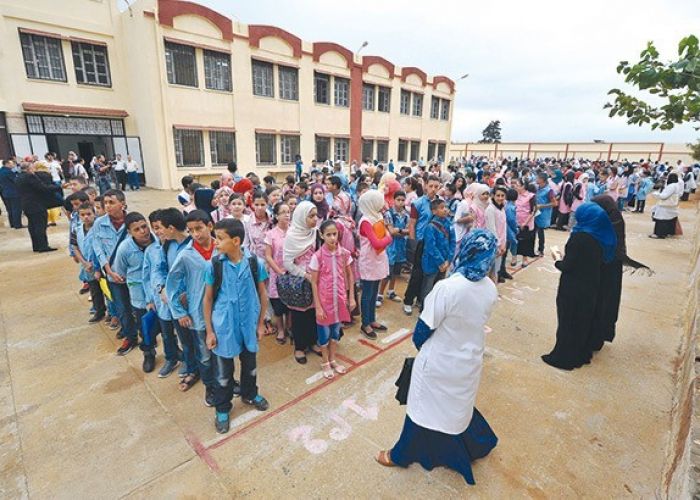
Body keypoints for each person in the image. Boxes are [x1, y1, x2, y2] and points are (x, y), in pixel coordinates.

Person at [376, 229, 500, 485]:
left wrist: (428, 349)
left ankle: (400, 454)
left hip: (440, 360)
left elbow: (421, 332)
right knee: (457, 407)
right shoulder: (489, 287)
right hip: (469, 359)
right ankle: (471, 445)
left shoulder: (448, 288)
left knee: (421, 407)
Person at [203, 218, 270, 434]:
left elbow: (263, 294)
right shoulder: (214, 265)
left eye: (220, 238)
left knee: (250, 366)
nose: (215, 242)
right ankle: (222, 407)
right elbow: (207, 300)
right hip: (224, 327)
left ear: (236, 240)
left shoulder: (254, 263)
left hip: (248, 325)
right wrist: (210, 331)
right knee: (223, 373)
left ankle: (250, 394)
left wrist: (261, 324)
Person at [541, 202, 617, 370]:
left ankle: (564, 357)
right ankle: (580, 353)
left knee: (568, 321)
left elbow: (568, 266)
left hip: (573, 288)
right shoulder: (600, 236)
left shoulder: (580, 238)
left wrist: (557, 259)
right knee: (582, 321)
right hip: (591, 286)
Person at [165, 210, 217, 401]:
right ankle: (210, 386)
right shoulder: (186, 255)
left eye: (199, 228)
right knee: (204, 355)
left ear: (209, 226)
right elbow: (172, 284)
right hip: (198, 313)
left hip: (222, 310)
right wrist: (179, 311)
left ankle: (225, 381)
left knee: (223, 352)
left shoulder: (222, 248)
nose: (195, 234)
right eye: (191, 230)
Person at [590, 195, 651, 350]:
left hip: (605, 268)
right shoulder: (614, 219)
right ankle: (597, 337)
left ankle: (595, 338)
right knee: (603, 304)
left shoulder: (609, 223)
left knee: (600, 303)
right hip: (610, 267)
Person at [310, 220, 355, 379]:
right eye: (328, 234)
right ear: (321, 235)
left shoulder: (344, 254)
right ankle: (325, 362)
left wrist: (351, 297)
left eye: (334, 234)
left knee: (335, 332)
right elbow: (314, 282)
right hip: (324, 302)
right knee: (324, 334)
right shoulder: (318, 256)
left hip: (340, 300)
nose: (332, 238)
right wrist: (318, 307)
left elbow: (350, 275)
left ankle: (333, 359)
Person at [113, 211, 158, 371]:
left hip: (159, 294)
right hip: (139, 296)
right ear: (129, 232)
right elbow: (120, 271)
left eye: (144, 227)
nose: (143, 232)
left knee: (166, 326)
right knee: (144, 327)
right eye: (137, 229)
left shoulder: (158, 240)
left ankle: (173, 352)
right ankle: (148, 353)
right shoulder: (125, 249)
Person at [142, 210, 182, 378]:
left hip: (179, 299)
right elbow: (147, 275)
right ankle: (171, 358)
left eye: (160, 227)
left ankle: (188, 359)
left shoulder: (177, 246)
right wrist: (151, 298)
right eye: (155, 228)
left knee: (183, 332)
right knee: (166, 332)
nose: (159, 231)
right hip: (161, 300)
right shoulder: (151, 250)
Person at [283, 200, 321, 364]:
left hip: (315, 278)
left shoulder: (315, 233)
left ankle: (312, 341)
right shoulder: (292, 236)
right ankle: (299, 347)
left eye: (315, 215)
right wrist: (304, 274)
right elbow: (287, 262)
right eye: (311, 216)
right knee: (299, 315)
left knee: (313, 312)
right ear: (301, 217)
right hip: (300, 281)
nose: (315, 219)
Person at [357, 190, 392, 340]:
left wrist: (387, 237)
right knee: (367, 293)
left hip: (378, 258)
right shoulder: (365, 221)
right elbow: (378, 241)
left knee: (374, 290)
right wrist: (389, 237)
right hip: (369, 261)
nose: (382, 204)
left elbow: (383, 238)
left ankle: (372, 319)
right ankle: (365, 323)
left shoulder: (377, 215)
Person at [403, 176, 440, 315]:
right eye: (431, 186)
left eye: (436, 186)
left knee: (429, 274)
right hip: (420, 241)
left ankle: (421, 299)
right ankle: (408, 301)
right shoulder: (418, 203)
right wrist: (413, 242)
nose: (433, 189)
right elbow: (412, 224)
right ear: (425, 186)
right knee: (417, 274)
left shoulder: (440, 203)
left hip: (435, 243)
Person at [16, 161, 62, 252]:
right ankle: (43, 246)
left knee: (32, 225)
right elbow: (42, 188)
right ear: (28, 168)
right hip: (36, 204)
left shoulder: (19, 177)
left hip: (26, 204)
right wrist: (59, 187)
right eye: (32, 167)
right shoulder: (30, 176)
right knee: (40, 225)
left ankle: (36, 245)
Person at [264, 201, 291, 345]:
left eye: (288, 212)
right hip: (277, 273)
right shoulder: (271, 234)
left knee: (292, 302)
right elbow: (268, 256)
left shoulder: (294, 231)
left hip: (292, 273)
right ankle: (281, 329)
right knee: (278, 305)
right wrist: (278, 271)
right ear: (276, 216)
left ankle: (290, 327)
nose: (287, 215)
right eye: (283, 212)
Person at [75, 202, 106, 323]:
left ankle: (113, 314)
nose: (86, 217)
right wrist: (84, 262)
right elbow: (75, 247)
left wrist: (98, 265)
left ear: (94, 214)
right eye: (82, 215)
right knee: (94, 290)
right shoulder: (77, 230)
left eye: (89, 214)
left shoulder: (100, 228)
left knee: (107, 290)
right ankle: (99, 311)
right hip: (87, 266)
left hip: (101, 264)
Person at [420, 199, 455, 303]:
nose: (445, 210)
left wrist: (448, 260)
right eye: (441, 207)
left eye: (445, 207)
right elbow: (431, 246)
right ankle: (425, 307)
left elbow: (453, 242)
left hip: (445, 262)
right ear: (434, 211)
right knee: (428, 287)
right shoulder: (430, 227)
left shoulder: (449, 224)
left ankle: (434, 307)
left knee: (439, 287)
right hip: (432, 262)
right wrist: (440, 262)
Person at [380, 190, 409, 302]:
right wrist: (402, 231)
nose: (400, 202)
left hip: (401, 246)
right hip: (390, 246)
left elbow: (409, 230)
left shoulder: (406, 214)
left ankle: (391, 291)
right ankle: (380, 293)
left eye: (402, 200)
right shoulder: (388, 213)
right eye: (398, 200)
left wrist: (399, 230)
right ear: (394, 200)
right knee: (388, 271)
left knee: (396, 271)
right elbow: (391, 231)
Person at [484, 186, 507, 283]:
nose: (500, 198)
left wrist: (504, 244)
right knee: (487, 272)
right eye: (498, 195)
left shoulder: (502, 208)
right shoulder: (490, 209)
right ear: (493, 196)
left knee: (495, 271)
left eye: (502, 196)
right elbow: (491, 229)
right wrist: (497, 246)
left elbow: (504, 227)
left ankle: (493, 292)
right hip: (492, 245)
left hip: (501, 245)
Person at [650, 173, 681, 239]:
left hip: (665, 206)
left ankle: (659, 234)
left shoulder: (671, 186)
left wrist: (656, 194)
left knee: (661, 220)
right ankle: (666, 233)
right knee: (669, 220)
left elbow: (664, 196)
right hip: (671, 205)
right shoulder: (677, 185)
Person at [514, 179, 536, 267]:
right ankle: (514, 257)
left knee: (525, 241)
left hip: (526, 223)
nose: (516, 186)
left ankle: (525, 259)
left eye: (518, 185)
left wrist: (525, 223)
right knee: (515, 240)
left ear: (523, 186)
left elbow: (532, 211)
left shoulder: (531, 196)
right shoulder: (515, 195)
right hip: (516, 222)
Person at [0, 159, 23, 229]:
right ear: (7, 164)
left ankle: (12, 223)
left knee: (9, 209)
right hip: (14, 193)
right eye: (12, 163)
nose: (13, 165)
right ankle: (18, 224)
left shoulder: (1, 171)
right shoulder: (9, 172)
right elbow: (16, 181)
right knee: (16, 209)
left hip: (5, 193)